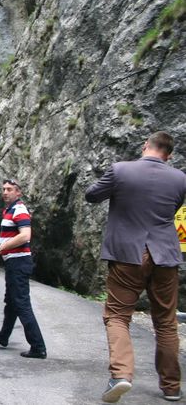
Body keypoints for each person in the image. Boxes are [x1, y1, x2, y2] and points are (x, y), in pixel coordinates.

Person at [85, 131, 186, 403]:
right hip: (166, 255)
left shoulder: (120, 171)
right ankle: (171, 387)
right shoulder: (180, 179)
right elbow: (174, 208)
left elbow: (91, 195)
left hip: (128, 255)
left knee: (118, 316)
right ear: (169, 155)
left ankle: (121, 374)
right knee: (166, 322)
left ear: (145, 146)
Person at [0, 179, 47, 359]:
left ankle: (38, 347)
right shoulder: (9, 210)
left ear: (18, 192)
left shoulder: (19, 210)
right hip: (13, 262)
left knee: (21, 304)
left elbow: (25, 236)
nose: (5, 192)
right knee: (11, 301)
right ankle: (4, 335)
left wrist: (1, 247)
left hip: (19, 262)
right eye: (3, 189)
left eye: (10, 189)